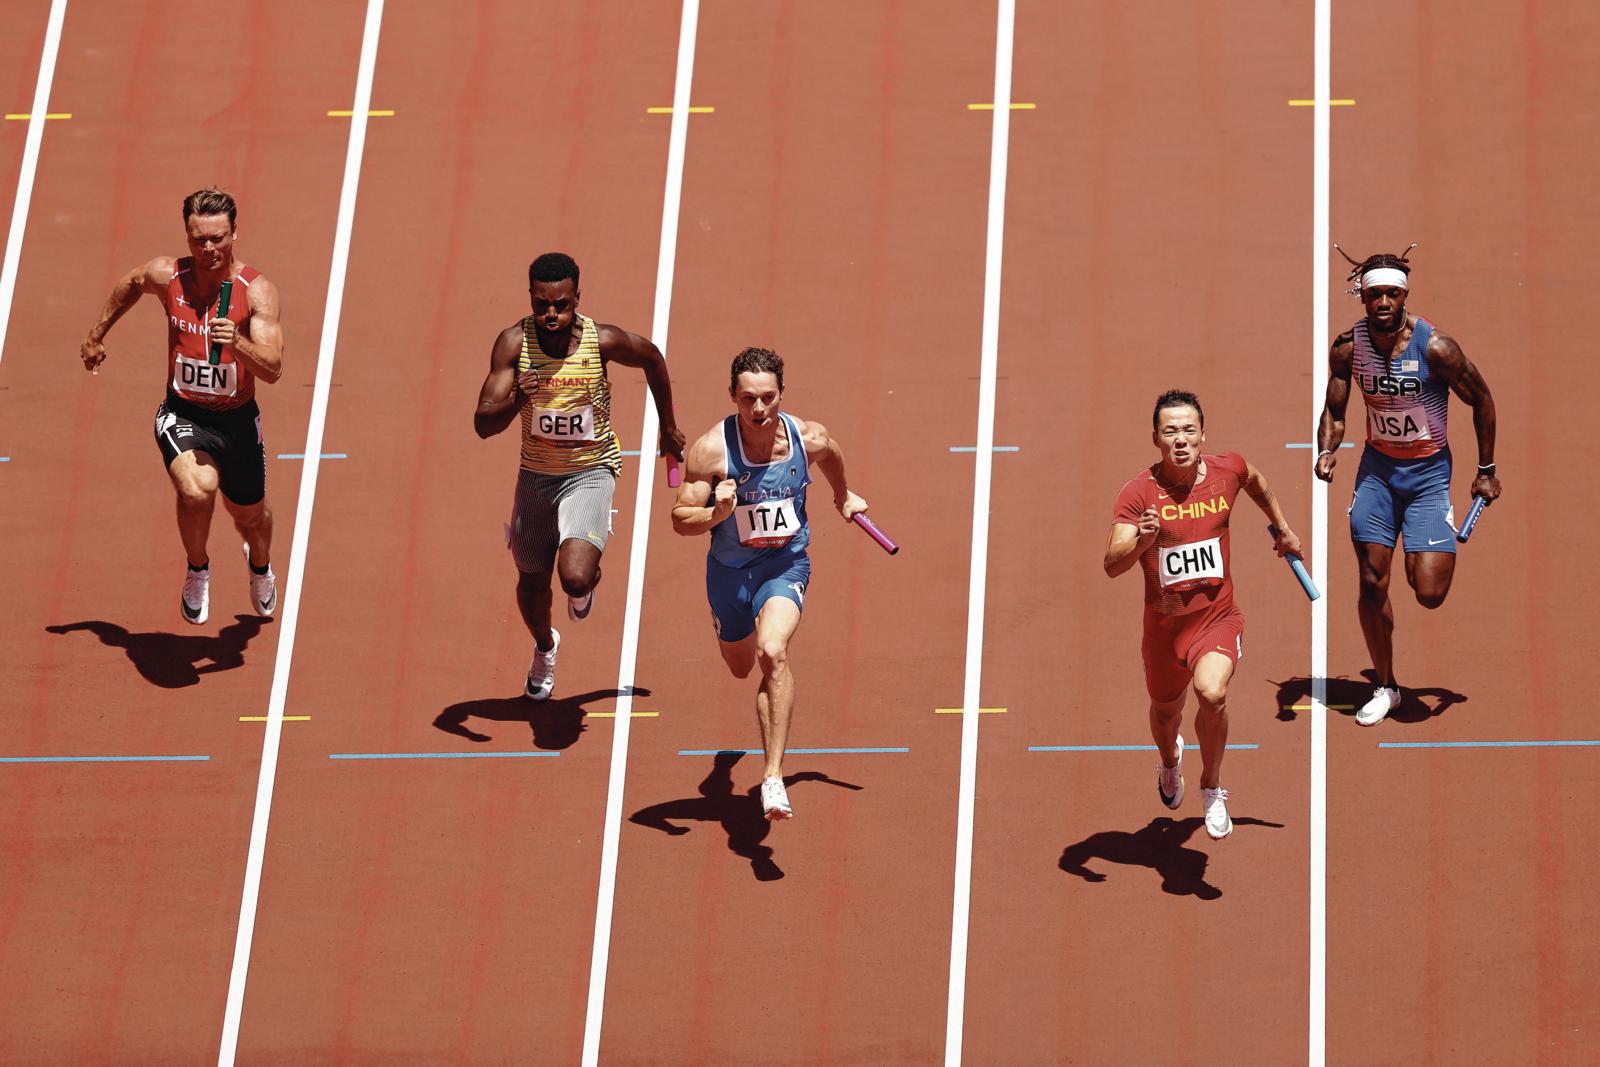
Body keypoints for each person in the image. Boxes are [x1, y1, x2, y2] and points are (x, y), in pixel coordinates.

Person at [474, 252, 684, 700]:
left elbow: (652, 358)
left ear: (577, 299)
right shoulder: (513, 345)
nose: (552, 315)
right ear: (531, 298)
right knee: (532, 581)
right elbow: (482, 424)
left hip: (591, 471)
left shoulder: (600, 341)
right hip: (535, 477)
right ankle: (545, 648)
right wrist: (517, 399)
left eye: (562, 305)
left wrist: (667, 426)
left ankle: (585, 581)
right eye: (542, 304)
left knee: (572, 576)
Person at [670, 347, 867, 821]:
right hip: (730, 575)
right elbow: (680, 519)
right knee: (740, 667)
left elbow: (832, 454)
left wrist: (843, 495)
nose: (758, 410)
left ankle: (773, 778)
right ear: (732, 397)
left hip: (785, 563)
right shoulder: (710, 451)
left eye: (768, 398)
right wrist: (715, 513)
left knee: (772, 652)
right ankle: (727, 771)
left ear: (782, 393)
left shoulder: (808, 437)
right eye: (747, 399)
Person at [79, 187, 283, 626]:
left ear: (234, 234)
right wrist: (97, 334)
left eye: (218, 238)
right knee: (198, 488)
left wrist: (238, 343)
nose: (208, 248)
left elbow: (273, 369)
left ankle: (260, 566)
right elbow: (130, 284)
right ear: (187, 236)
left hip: (238, 420)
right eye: (198, 239)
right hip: (184, 413)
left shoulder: (257, 292)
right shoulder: (167, 276)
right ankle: (198, 569)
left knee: (251, 518)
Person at [1315, 246, 1501, 726]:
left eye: (1391, 294)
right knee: (1372, 581)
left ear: (1403, 296)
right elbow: (1335, 411)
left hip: (1427, 476)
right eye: (1374, 293)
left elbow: (1481, 400)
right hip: (1377, 474)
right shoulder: (1348, 348)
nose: (1382, 301)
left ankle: (1425, 545)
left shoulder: (1436, 347)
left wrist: (1486, 468)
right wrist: (1327, 450)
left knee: (1429, 591)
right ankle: (1385, 684)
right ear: (1363, 297)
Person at [1105, 390, 1302, 840]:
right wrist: (1143, 541)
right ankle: (1170, 761)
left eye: (1189, 430)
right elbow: (1111, 564)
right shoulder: (1138, 494)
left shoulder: (1226, 469)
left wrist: (1283, 528)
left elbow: (1255, 479)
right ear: (1156, 438)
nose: (1181, 439)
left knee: (1211, 693)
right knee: (1164, 715)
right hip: (1163, 628)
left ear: (1202, 435)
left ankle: (1212, 787)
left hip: (1216, 618)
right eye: (1170, 431)